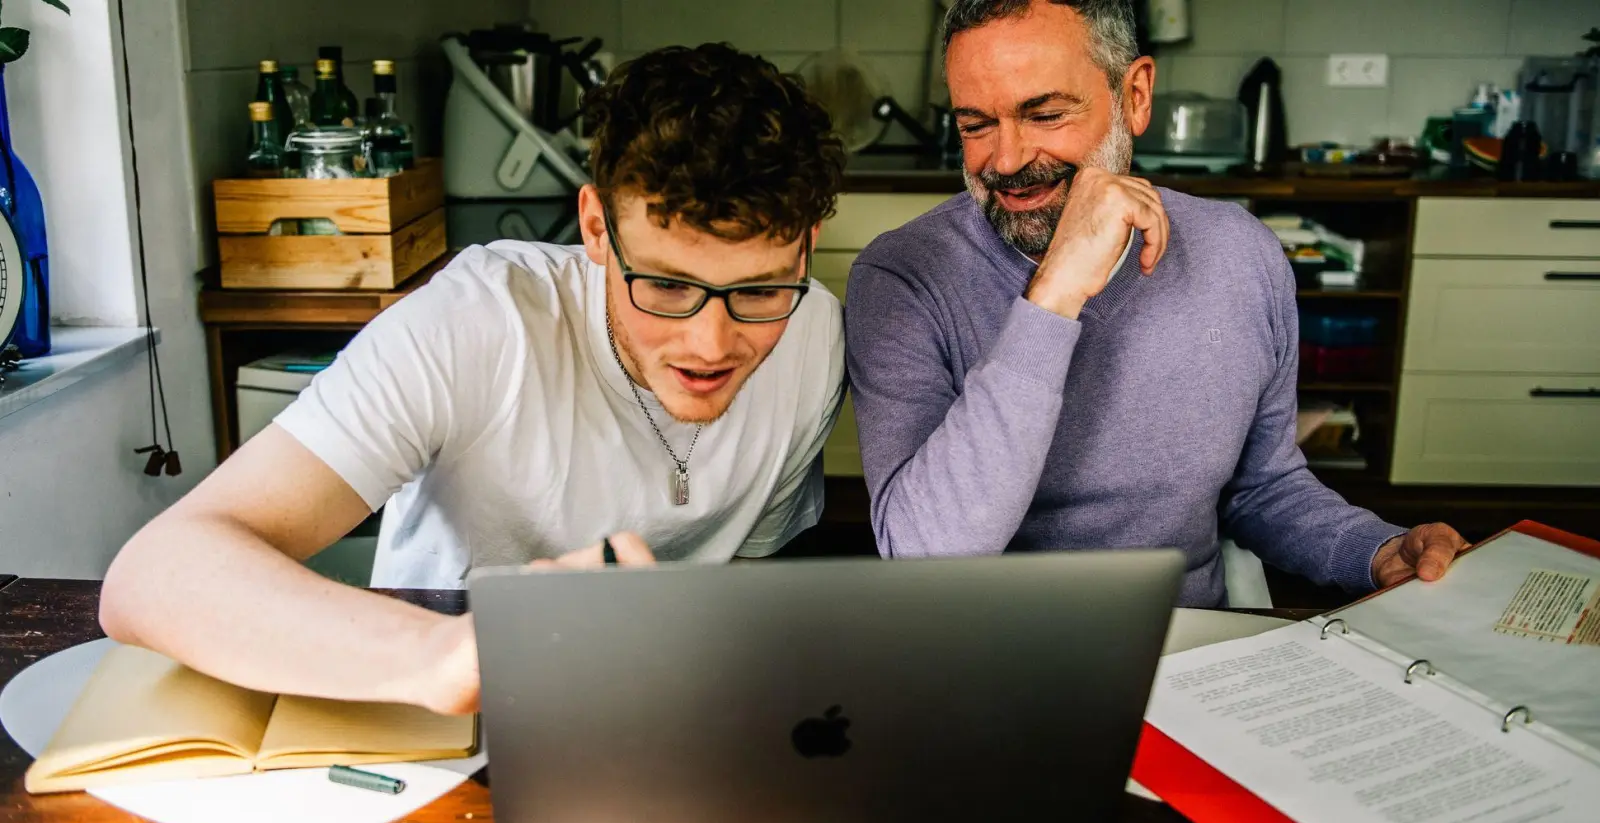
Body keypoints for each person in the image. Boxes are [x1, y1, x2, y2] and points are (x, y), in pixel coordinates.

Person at [99, 44, 848, 714]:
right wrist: (452, 657)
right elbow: (153, 575)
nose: (712, 344)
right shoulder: (479, 322)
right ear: (595, 229)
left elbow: (750, 571)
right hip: (430, 709)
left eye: (758, 291)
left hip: (669, 709)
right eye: (667, 287)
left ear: (807, 248)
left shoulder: (814, 335)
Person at [844, 0, 1466, 608]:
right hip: (996, 663)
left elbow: (1261, 489)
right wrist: (1054, 295)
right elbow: (924, 556)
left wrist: (1374, 550)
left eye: (1046, 114)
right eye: (976, 124)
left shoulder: (1240, 254)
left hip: (1190, 651)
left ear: (1134, 96)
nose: (1006, 161)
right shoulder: (901, 278)